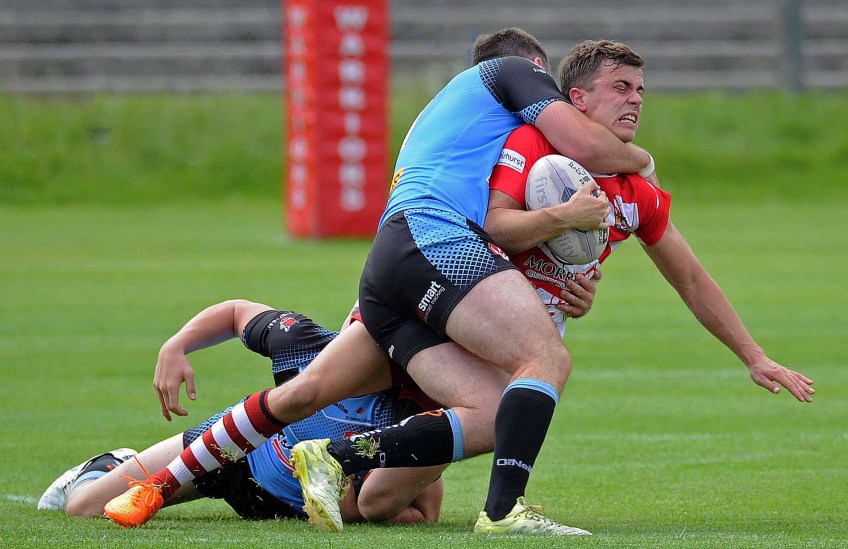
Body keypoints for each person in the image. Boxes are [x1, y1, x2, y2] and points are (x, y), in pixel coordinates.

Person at [102, 28, 614, 537]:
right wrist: (634, 168)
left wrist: (565, 285)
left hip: (412, 280)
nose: (543, 102)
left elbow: (504, 248)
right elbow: (492, 234)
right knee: (527, 374)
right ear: (531, 72)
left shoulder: (475, 140)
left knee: (324, 414)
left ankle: (174, 484)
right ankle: (494, 510)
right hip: (427, 274)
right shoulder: (504, 113)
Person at [484, 39, 816, 402]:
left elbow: (691, 281)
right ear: (578, 98)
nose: (636, 100)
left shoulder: (637, 192)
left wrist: (755, 358)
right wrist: (563, 219)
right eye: (621, 87)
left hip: (535, 346)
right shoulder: (532, 143)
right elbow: (492, 231)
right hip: (477, 317)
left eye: (640, 90)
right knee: (481, 421)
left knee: (477, 427)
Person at [38, 299, 445, 526]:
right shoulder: (303, 343)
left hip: (303, 503)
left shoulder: (413, 405)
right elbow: (235, 313)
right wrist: (176, 346)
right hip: (235, 449)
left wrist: (355, 495)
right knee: (85, 507)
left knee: (404, 511)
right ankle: (111, 463)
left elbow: (399, 509)